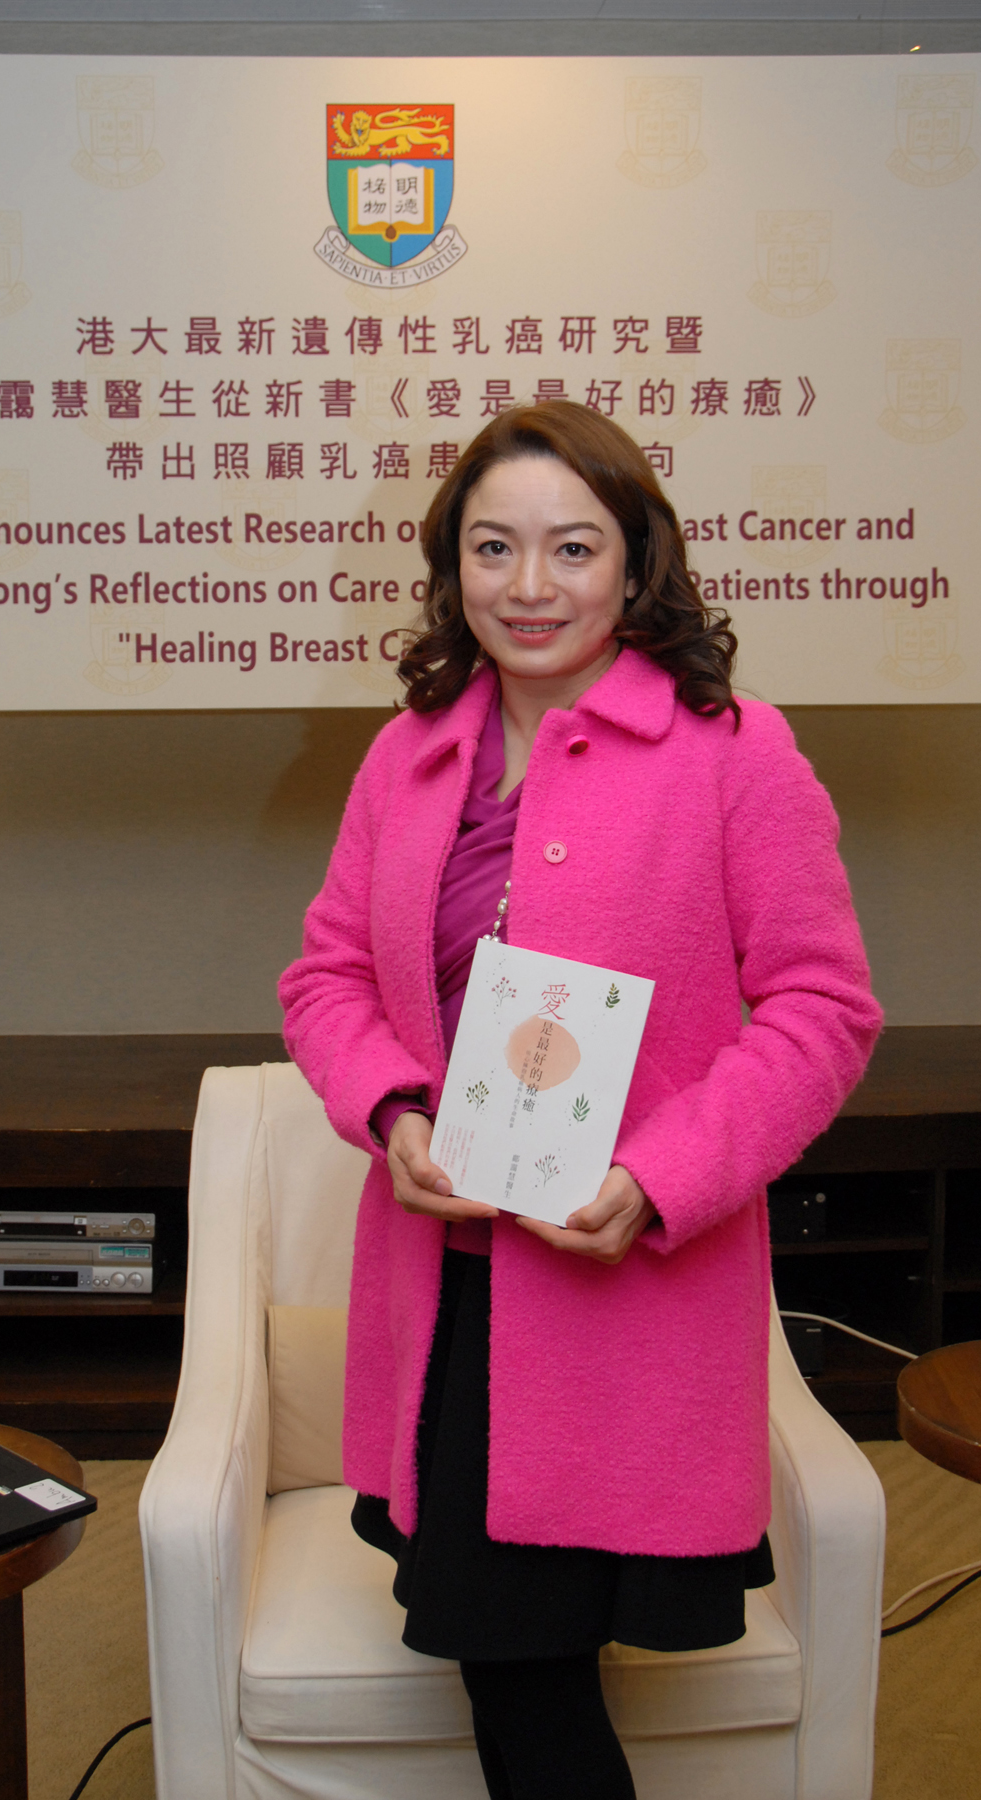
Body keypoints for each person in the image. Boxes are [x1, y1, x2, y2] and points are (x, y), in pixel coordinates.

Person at [278, 402, 882, 1800]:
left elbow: (825, 1011)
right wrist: (391, 1109)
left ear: (635, 561)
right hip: (450, 1288)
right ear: (453, 565)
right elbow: (325, 979)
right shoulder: (407, 754)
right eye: (494, 547)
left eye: (572, 547)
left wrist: (664, 1176)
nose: (529, 586)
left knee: (525, 1673)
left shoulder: (736, 751)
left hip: (624, 1291)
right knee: (509, 1659)